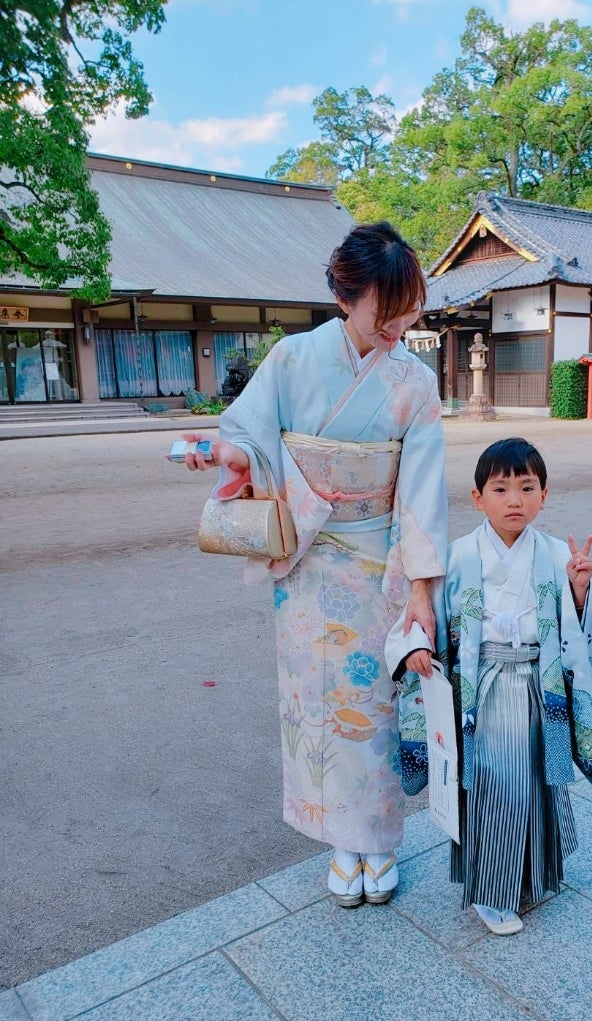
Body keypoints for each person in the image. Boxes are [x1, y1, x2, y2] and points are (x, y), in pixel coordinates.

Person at [183, 222, 447, 908]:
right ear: (344, 297)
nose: (398, 327)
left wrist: (422, 589)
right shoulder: (294, 358)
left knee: (374, 706)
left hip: (380, 566)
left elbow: (422, 490)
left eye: (408, 311)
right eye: (386, 311)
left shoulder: (415, 383)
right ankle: (340, 844)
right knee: (318, 705)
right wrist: (229, 456)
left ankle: (378, 843)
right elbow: (249, 436)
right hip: (306, 563)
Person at [386, 438, 592, 935]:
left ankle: (528, 875)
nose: (515, 500)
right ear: (478, 498)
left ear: (544, 496)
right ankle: (492, 893)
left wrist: (579, 590)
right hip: (482, 693)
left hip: (539, 686)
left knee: (534, 783)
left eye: (527, 488)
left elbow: (589, 620)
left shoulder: (557, 554)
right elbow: (421, 614)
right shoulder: (457, 556)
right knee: (497, 787)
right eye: (501, 488)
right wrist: (416, 648)